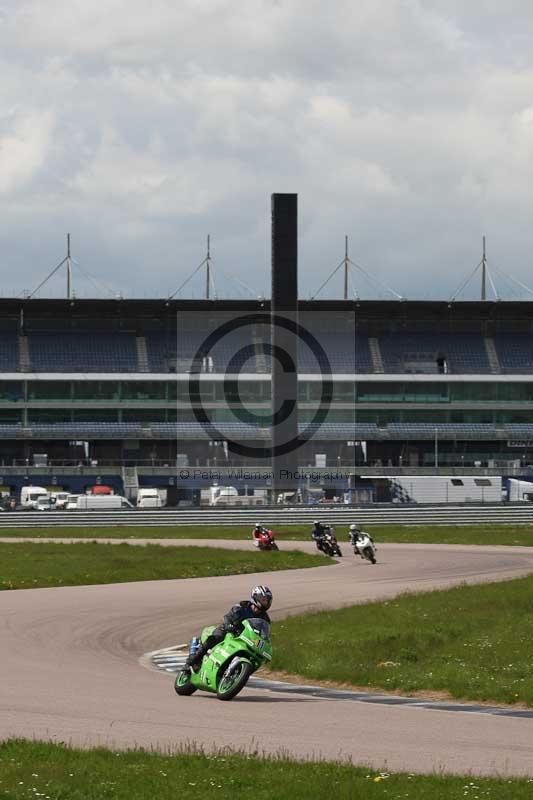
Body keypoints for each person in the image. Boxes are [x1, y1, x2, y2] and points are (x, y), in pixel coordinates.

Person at [185, 585, 273, 671]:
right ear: (255, 597)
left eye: (268, 600)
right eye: (264, 600)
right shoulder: (243, 605)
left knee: (255, 656)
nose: (266, 603)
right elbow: (230, 615)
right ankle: (194, 659)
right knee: (216, 637)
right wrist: (230, 624)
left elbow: (264, 633)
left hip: (246, 637)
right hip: (230, 629)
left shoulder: (265, 618)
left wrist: (266, 641)